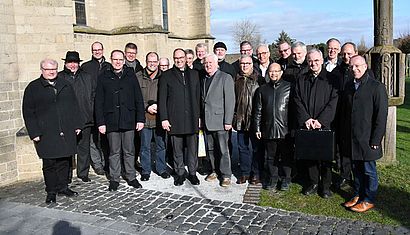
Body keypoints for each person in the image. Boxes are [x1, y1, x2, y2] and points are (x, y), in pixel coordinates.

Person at [22, 59, 82, 204]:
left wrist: (77, 124)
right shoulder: (33, 87)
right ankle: (51, 191)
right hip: (46, 132)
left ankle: (63, 187)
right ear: (42, 69)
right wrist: (34, 132)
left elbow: (74, 106)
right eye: (48, 69)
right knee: (49, 163)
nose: (51, 72)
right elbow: (28, 112)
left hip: (65, 130)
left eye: (54, 69)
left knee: (64, 161)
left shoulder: (65, 84)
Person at [340, 55, 388, 212]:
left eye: (358, 66)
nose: (354, 69)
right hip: (352, 138)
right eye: (352, 67)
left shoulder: (376, 87)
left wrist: (376, 139)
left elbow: (381, 116)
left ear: (365, 66)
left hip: (368, 138)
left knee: (369, 170)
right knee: (356, 169)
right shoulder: (349, 86)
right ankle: (358, 194)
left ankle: (369, 198)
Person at [95, 50, 145, 191]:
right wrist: (101, 122)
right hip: (111, 120)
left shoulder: (130, 75)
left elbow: (138, 99)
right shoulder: (104, 76)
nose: (118, 62)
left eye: (120, 59)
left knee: (129, 150)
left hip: (128, 118)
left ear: (124, 60)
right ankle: (114, 178)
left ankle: (131, 176)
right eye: (115, 59)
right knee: (114, 151)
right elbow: (98, 102)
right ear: (111, 60)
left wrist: (140, 119)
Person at [294, 48, 338, 198]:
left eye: (316, 60)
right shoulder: (302, 79)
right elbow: (297, 100)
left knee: (325, 158)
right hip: (307, 123)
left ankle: (325, 186)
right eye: (310, 61)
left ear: (322, 60)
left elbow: (334, 101)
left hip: (324, 124)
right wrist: (306, 118)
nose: (313, 64)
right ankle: (312, 183)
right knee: (310, 156)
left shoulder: (332, 79)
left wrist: (322, 121)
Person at [158, 48, 201, 186]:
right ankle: (180, 173)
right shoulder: (166, 76)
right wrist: (164, 118)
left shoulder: (194, 74)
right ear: (173, 59)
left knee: (192, 150)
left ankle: (193, 173)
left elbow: (198, 98)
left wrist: (199, 117)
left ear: (186, 58)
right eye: (176, 58)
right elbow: (162, 99)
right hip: (174, 119)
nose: (179, 60)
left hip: (192, 118)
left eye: (181, 57)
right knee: (177, 150)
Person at [254, 63, 292, 191]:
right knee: (271, 157)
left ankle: (286, 179)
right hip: (268, 128)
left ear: (281, 72)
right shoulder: (262, 89)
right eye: (271, 71)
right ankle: (273, 178)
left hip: (285, 130)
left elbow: (293, 110)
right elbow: (258, 111)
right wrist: (257, 128)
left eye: (276, 71)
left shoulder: (289, 88)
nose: (273, 74)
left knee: (286, 156)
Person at [58, 51, 94, 183]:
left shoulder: (87, 77)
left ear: (79, 64)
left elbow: (92, 95)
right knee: (67, 149)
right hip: (67, 120)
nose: (73, 65)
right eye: (70, 62)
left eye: (75, 62)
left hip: (85, 117)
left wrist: (90, 112)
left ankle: (83, 172)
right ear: (65, 63)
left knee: (84, 148)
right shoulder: (60, 77)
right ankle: (66, 175)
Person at [201, 54, 235, 187]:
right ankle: (214, 171)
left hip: (221, 121)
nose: (208, 65)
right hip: (208, 120)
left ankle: (226, 175)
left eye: (210, 63)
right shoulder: (204, 79)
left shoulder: (225, 77)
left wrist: (228, 121)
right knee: (210, 149)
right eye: (206, 63)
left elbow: (230, 101)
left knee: (223, 150)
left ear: (216, 64)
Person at [136, 52, 170, 181]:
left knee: (161, 145)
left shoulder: (164, 77)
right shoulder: (138, 77)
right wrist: (147, 107)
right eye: (150, 61)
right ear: (146, 61)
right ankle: (146, 170)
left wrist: (160, 107)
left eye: (155, 61)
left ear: (158, 62)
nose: (152, 64)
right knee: (145, 146)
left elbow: (168, 96)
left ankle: (161, 169)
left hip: (159, 118)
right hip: (144, 119)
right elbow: (136, 98)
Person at [81, 42, 111, 175]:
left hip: (106, 107)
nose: (97, 52)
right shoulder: (86, 67)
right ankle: (97, 163)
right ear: (91, 51)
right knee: (93, 138)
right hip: (90, 107)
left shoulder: (109, 66)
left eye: (99, 49)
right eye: (95, 50)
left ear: (103, 50)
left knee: (105, 137)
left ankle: (107, 162)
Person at [331, 42, 358, 189]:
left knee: (355, 148)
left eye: (349, 53)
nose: (346, 57)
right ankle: (345, 175)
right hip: (339, 115)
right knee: (342, 148)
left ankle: (357, 176)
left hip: (356, 116)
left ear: (355, 52)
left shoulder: (363, 71)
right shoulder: (336, 72)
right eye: (344, 54)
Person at [233, 55, 262, 185]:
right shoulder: (236, 79)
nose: (245, 66)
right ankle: (245, 172)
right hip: (240, 119)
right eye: (242, 63)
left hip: (254, 120)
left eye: (247, 63)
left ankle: (256, 173)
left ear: (252, 64)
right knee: (242, 147)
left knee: (256, 148)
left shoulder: (259, 80)